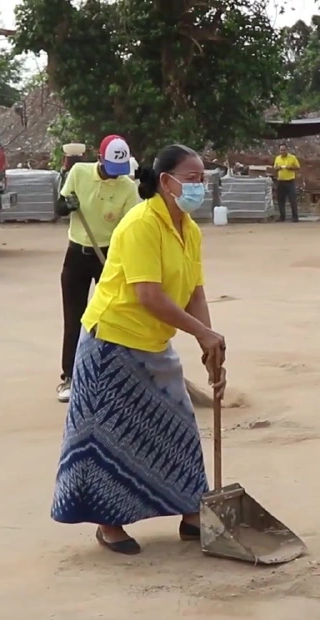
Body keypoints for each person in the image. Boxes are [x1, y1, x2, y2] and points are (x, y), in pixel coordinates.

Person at [52, 144, 226, 555]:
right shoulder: (140, 224)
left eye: (203, 177)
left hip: (152, 343)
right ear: (166, 182)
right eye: (192, 178)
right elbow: (149, 295)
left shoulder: (189, 229)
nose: (200, 185)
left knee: (178, 428)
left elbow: (194, 290)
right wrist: (201, 333)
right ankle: (108, 524)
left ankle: (191, 513)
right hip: (112, 343)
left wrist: (209, 339)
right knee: (110, 438)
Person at [53, 135, 141, 403]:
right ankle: (69, 377)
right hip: (77, 254)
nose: (115, 177)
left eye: (120, 171)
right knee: (75, 317)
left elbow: (132, 226)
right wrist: (66, 205)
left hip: (109, 257)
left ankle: (114, 374)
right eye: (111, 170)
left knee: (111, 318)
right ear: (100, 159)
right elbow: (59, 207)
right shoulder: (78, 173)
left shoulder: (127, 188)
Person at [273, 143, 300, 222]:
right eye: (281, 150)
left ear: (287, 150)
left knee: (292, 199)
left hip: (290, 181)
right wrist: (277, 168)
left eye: (284, 150)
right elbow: (275, 167)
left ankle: (295, 217)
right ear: (279, 151)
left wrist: (291, 167)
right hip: (281, 181)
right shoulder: (277, 158)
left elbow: (298, 167)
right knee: (280, 199)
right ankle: (282, 216)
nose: (282, 151)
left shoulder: (292, 157)